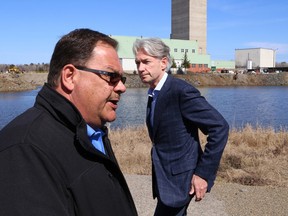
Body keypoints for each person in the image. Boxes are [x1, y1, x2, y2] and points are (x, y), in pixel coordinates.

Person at [0, 28, 137, 216]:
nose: (122, 87)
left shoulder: (91, 131)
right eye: (111, 76)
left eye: (122, 79)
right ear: (70, 76)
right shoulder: (24, 150)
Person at [132, 38, 229, 216]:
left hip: (182, 180)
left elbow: (219, 127)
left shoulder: (180, 91)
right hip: (166, 178)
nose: (140, 68)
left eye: (146, 62)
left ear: (163, 63)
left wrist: (202, 174)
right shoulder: (155, 92)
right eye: (138, 62)